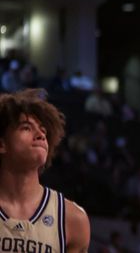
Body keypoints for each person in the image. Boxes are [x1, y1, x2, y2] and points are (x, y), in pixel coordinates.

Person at [0, 88, 91, 253]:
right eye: (26, 127)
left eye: (43, 130)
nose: (40, 135)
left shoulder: (73, 219)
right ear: (2, 144)